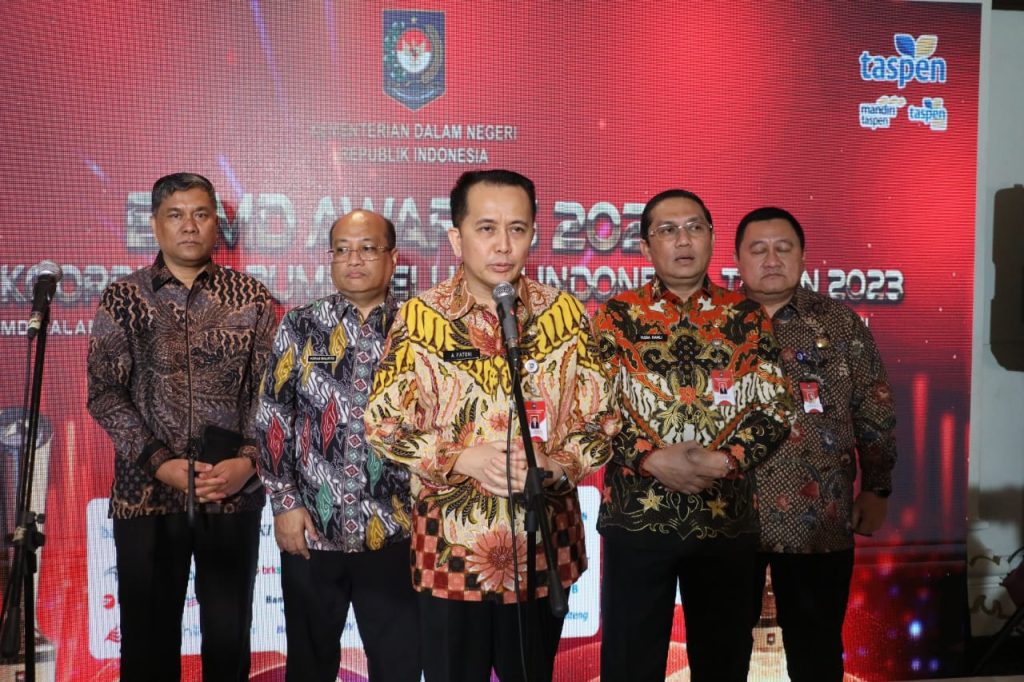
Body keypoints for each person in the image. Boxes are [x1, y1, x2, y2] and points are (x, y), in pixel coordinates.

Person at [365, 169, 619, 682]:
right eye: (486, 229)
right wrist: (461, 458)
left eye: (517, 229)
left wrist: (557, 464)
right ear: (456, 237)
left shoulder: (565, 315)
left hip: (542, 552)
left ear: (533, 234)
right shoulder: (420, 318)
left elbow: (603, 420)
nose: (503, 245)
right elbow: (383, 423)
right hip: (450, 555)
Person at [594, 189, 795, 682]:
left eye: (694, 228)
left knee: (723, 663)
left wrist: (726, 461)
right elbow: (592, 408)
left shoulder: (746, 316)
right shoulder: (615, 316)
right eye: (667, 230)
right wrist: (649, 459)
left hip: (724, 522)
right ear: (646, 247)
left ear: (711, 237)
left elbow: (776, 407)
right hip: (637, 520)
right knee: (630, 664)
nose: (683, 240)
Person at [87, 172, 275, 681]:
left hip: (230, 492)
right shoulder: (124, 297)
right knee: (147, 642)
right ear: (155, 225)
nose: (189, 225)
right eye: (175, 215)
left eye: (201, 214)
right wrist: (160, 463)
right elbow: (104, 393)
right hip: (147, 495)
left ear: (217, 224)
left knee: (229, 637)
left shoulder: (251, 298)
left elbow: (270, 395)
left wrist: (248, 462)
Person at [255, 210, 420, 681]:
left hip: (397, 530)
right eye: (342, 250)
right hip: (312, 529)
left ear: (392, 258)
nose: (354, 259)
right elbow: (273, 416)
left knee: (400, 665)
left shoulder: (418, 328)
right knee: (309, 666)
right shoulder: (302, 325)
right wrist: (285, 504)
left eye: (367, 248)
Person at [734, 206, 897, 682]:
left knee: (817, 652)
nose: (771, 260)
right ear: (738, 259)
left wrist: (878, 487)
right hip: (726, 520)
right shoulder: (715, 323)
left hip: (818, 519)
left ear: (803, 257)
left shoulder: (839, 324)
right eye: (758, 249)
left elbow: (875, 407)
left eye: (783, 248)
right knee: (721, 651)